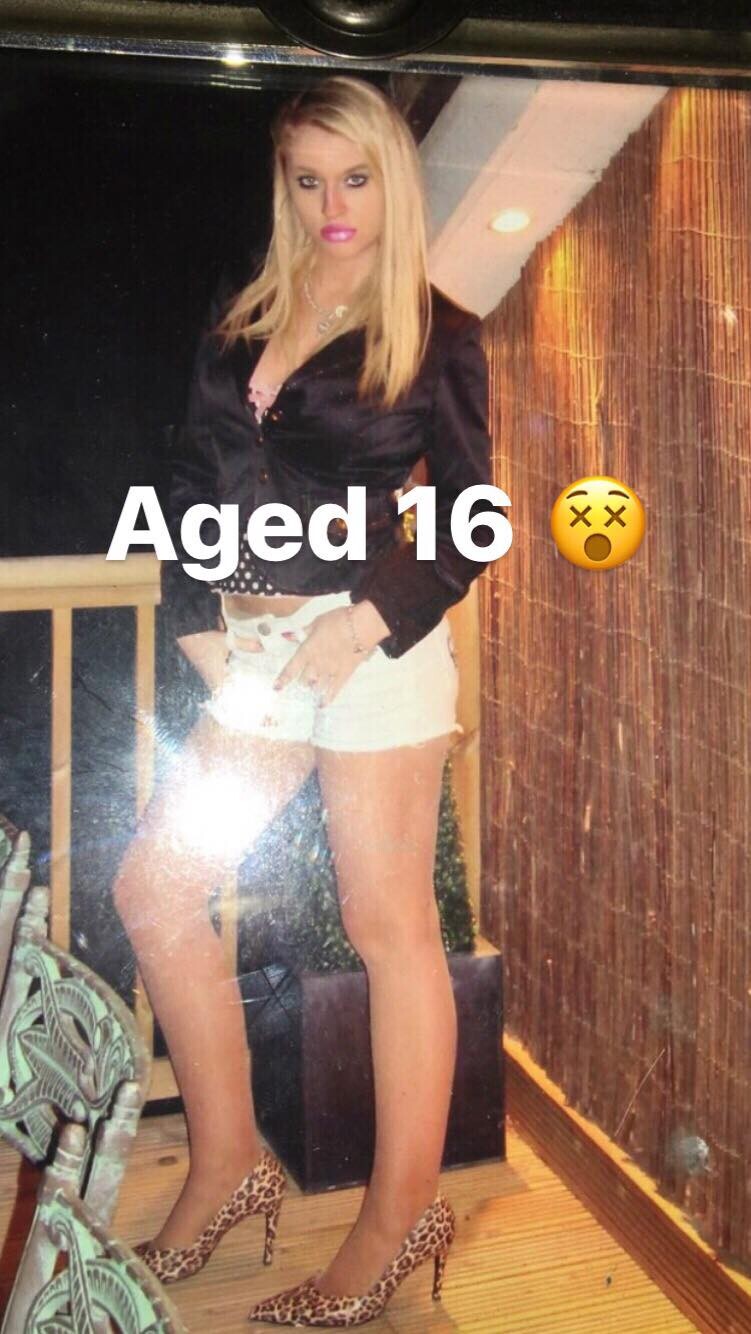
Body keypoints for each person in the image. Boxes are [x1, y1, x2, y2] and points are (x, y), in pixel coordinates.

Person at [113, 74, 501, 1327]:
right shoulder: (245, 316)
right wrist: (195, 624)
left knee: (389, 927)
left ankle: (395, 1220)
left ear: (393, 180)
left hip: (373, 650)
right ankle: (229, 1161)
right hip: (253, 655)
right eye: (308, 178)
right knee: (155, 886)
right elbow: (186, 478)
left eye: (357, 176)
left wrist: (360, 619)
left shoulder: (437, 332)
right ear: (284, 188)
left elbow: (470, 522)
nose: (333, 203)